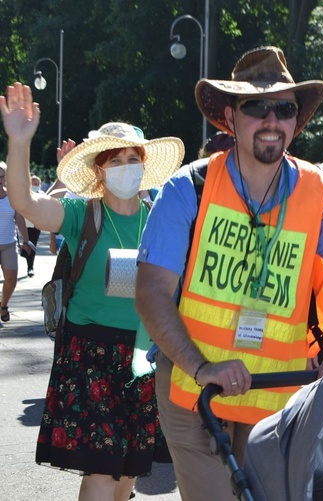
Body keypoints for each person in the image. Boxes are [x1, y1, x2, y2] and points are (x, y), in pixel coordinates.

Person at [133, 46, 323, 501]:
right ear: (230, 115)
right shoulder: (189, 188)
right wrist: (203, 367)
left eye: (283, 109)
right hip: (193, 388)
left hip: (276, 393)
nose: (271, 119)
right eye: (256, 106)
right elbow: (151, 291)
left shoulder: (319, 192)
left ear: (295, 121)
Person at [1, 82, 181, 500]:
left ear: (144, 164)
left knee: (126, 476)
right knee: (101, 474)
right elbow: (25, 203)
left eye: (132, 158)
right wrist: (19, 142)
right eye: (115, 160)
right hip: (89, 357)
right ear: (99, 170)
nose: (125, 166)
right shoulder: (82, 213)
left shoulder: (160, 221)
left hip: (143, 358)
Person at [0, 162, 31, 321]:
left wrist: (26, 240)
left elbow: (19, 219)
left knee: (11, 278)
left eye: (2, 176)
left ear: (6, 178)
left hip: (8, 245)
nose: (0, 179)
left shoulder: (12, 197)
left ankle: (3, 305)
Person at [22, 175, 42, 277]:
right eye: (34, 183)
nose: (36, 185)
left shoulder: (42, 195)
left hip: (36, 224)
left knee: (33, 245)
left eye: (37, 183)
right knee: (26, 243)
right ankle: (25, 254)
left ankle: (30, 267)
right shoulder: (26, 194)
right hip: (25, 224)